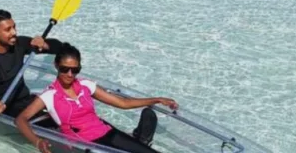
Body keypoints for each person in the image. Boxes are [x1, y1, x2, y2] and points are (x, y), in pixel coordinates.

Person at [15, 43, 178, 153]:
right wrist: (37, 142)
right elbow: (21, 119)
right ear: (57, 66)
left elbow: (122, 102)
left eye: (75, 70)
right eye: (65, 69)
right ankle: (140, 138)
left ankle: (139, 140)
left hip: (107, 132)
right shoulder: (49, 95)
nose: (70, 74)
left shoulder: (86, 85)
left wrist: (156, 99)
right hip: (85, 145)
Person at [0, 9, 64, 119]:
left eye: (14, 27)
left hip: (26, 100)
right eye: (7, 30)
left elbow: (59, 47)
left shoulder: (19, 44)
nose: (14, 32)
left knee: (64, 109)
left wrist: (45, 44)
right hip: (5, 108)